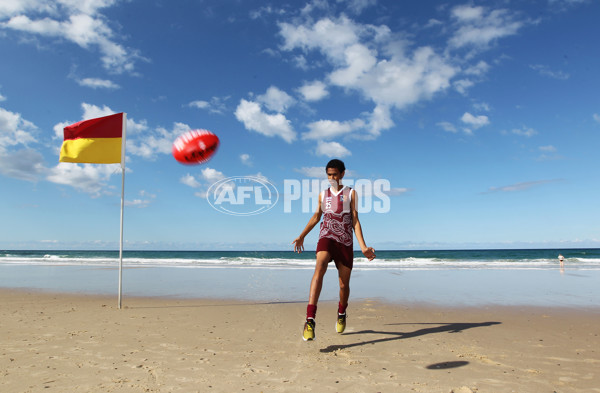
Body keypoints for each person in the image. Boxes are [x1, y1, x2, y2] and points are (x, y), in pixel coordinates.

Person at [292, 159, 376, 341]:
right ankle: (310, 320)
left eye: (335, 174)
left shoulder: (351, 193)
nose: (331, 178)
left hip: (345, 242)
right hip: (326, 236)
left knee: (343, 285)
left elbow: (355, 220)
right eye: (329, 175)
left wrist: (363, 246)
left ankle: (341, 312)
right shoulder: (323, 195)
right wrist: (302, 235)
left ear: (343, 174)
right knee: (319, 268)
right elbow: (316, 216)